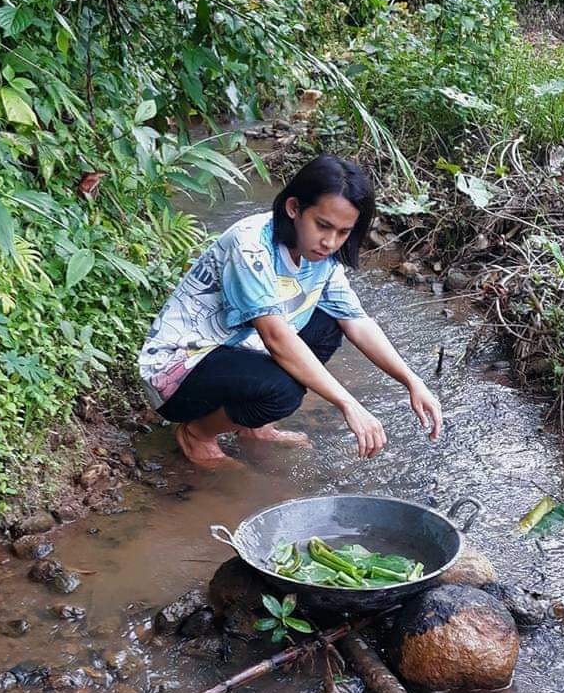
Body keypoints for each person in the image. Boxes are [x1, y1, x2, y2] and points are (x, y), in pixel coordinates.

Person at [138, 153, 443, 465]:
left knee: (328, 324)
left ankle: (253, 425)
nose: (330, 242)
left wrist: (412, 381)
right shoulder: (250, 246)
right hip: (179, 371)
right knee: (284, 391)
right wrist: (348, 404)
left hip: (234, 352)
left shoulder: (320, 258)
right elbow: (276, 339)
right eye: (322, 225)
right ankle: (198, 434)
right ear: (294, 208)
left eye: (343, 232)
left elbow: (357, 321)